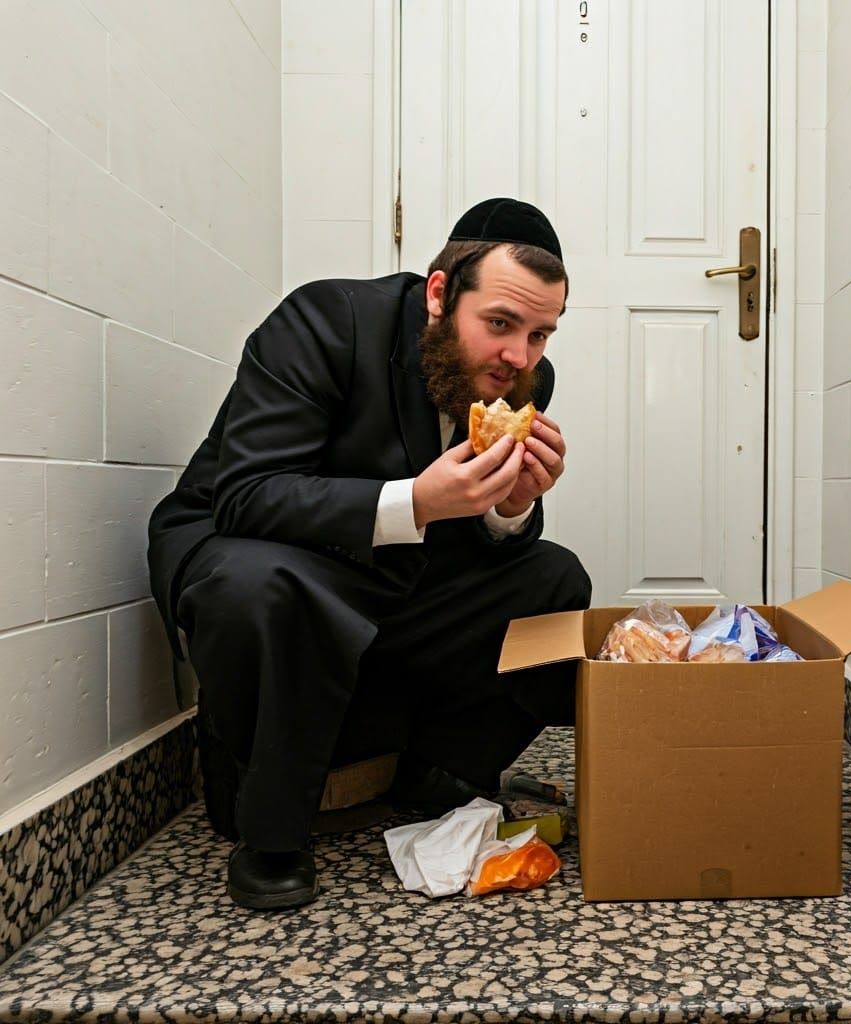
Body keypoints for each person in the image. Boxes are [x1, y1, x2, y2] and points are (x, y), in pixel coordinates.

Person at [147, 198, 592, 910]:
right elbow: (246, 497)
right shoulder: (324, 323)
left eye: (542, 334)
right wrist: (415, 500)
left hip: (390, 580)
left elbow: (477, 545)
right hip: (267, 559)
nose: (520, 358)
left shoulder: (521, 379)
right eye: (501, 325)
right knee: (266, 583)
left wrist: (512, 510)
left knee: (554, 578)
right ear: (440, 295)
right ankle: (273, 830)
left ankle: (434, 768)